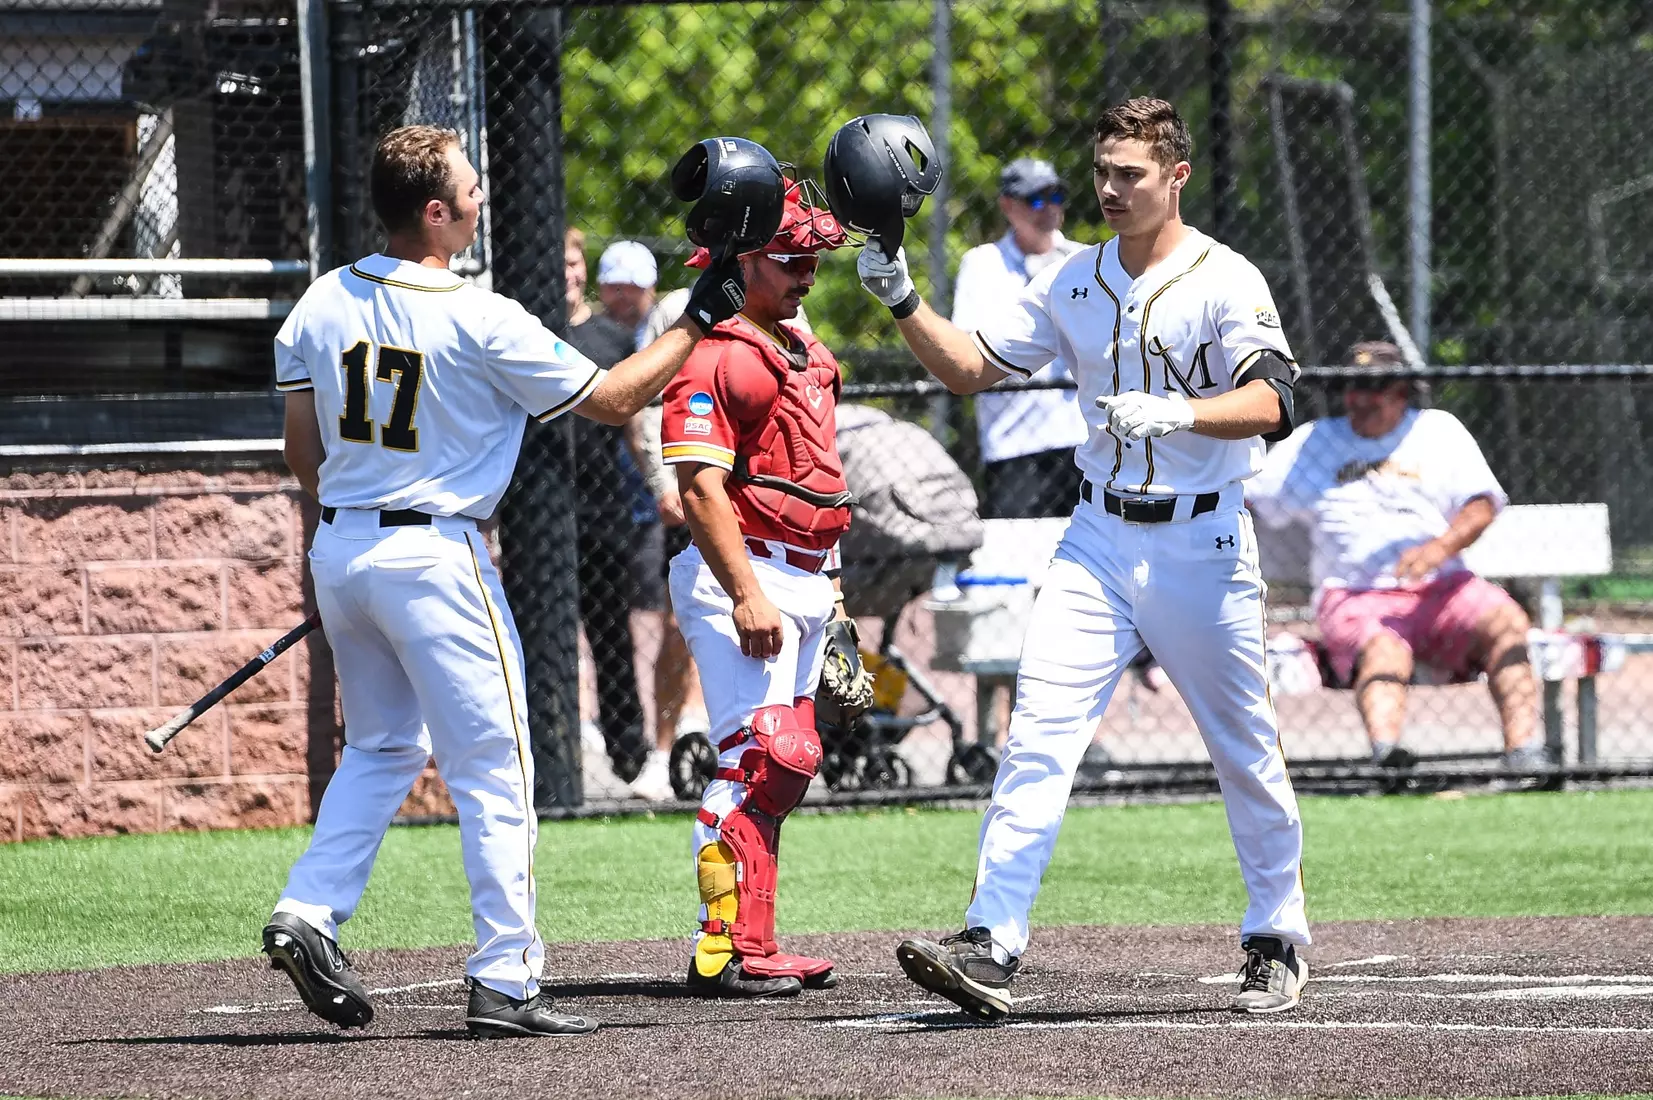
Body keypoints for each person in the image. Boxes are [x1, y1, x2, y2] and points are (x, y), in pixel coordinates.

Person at [265, 124, 748, 1037]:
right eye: (469, 188)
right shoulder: (480, 313)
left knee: (380, 749)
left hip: (341, 547)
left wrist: (361, 530)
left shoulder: (320, 300)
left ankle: (308, 910)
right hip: (436, 556)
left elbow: (303, 456)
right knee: (495, 767)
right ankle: (506, 978)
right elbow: (614, 400)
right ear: (435, 212)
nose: (481, 198)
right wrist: (695, 320)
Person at [855, 98, 1311, 1020]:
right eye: (1101, 170)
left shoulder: (1225, 277)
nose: (1108, 188)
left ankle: (1275, 936)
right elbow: (970, 368)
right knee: (1036, 736)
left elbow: (1274, 401)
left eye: (1128, 173)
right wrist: (901, 295)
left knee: (1244, 750)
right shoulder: (1073, 278)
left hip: (1202, 540)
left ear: (1175, 177)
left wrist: (1182, 413)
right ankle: (990, 941)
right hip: (1097, 534)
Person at [661, 180, 866, 998]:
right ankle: (721, 949)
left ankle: (756, 940)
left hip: (806, 577)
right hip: (742, 571)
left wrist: (835, 597)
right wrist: (746, 593)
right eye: (789, 260)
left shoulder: (801, 350)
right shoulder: (712, 353)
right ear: (740, 261)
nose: (807, 274)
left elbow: (820, 482)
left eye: (812, 259)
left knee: (787, 764)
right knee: (753, 761)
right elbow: (698, 488)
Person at [1247, 340, 1546, 770]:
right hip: (1355, 594)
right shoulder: (1313, 441)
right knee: (1384, 645)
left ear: (1401, 392)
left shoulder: (1437, 430)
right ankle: (1388, 759)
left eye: (1374, 389)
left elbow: (1482, 504)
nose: (1359, 400)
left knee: (1508, 622)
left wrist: (1439, 549)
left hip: (1444, 589)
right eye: (1352, 388)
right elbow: (1249, 496)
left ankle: (1524, 753)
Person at [562, 228, 652, 791]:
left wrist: (661, 488)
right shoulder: (524, 332)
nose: (568, 273)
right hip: (539, 513)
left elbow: (635, 433)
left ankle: (630, 752)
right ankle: (548, 746)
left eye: (575, 262)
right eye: (560, 263)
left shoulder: (613, 340)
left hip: (602, 511)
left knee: (610, 633)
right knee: (538, 633)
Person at [953, 156, 1089, 520]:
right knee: (1015, 549)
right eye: (1035, 199)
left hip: (1083, 439)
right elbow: (970, 344)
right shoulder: (983, 264)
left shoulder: (1082, 260)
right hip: (1014, 443)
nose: (1049, 209)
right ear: (1007, 206)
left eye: (1056, 196)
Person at [596, 240, 659, 349]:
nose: (623, 295)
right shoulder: (586, 337)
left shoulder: (666, 335)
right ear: (600, 288)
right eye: (614, 287)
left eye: (633, 287)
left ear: (652, 288)